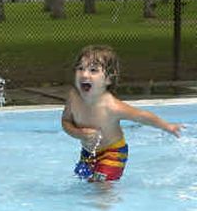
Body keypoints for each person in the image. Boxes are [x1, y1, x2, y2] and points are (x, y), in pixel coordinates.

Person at [61, 45, 181, 182]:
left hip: (113, 153)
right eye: (80, 68)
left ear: (108, 79)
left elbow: (142, 116)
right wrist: (78, 133)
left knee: (101, 186)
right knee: (83, 181)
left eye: (93, 70)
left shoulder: (112, 107)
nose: (84, 74)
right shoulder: (73, 97)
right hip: (88, 152)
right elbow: (65, 122)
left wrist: (167, 126)